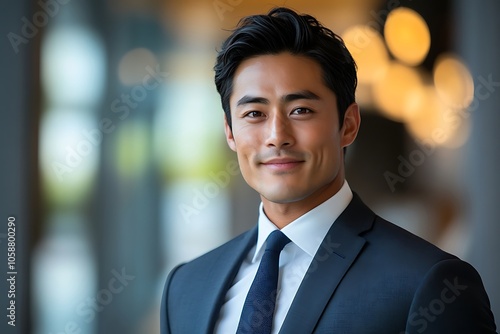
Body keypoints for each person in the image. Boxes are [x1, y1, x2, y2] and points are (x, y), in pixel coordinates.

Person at [160, 7, 497, 334]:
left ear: (348, 125)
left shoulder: (430, 284)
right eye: (254, 114)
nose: (277, 136)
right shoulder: (185, 288)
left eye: (301, 109)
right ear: (230, 131)